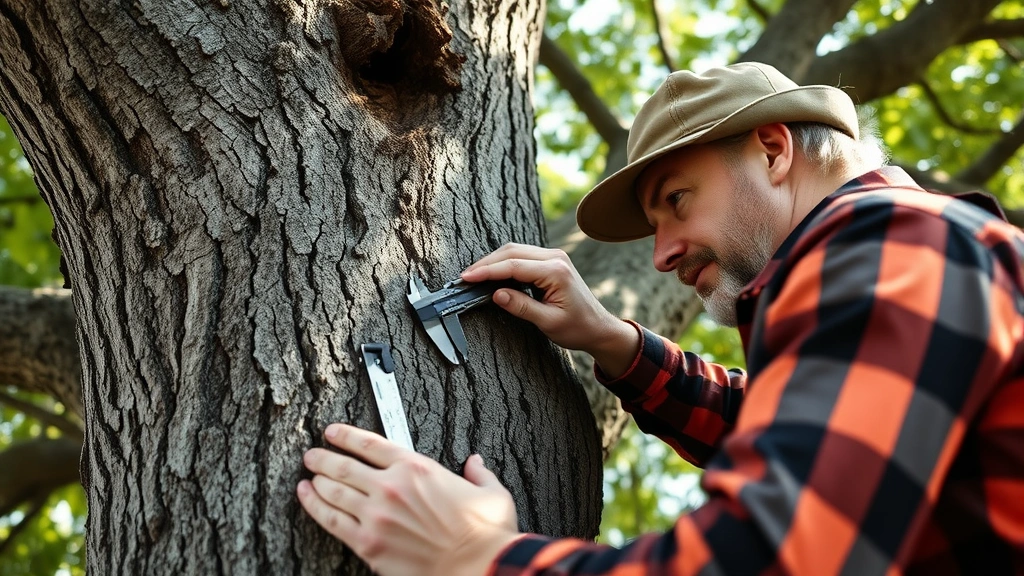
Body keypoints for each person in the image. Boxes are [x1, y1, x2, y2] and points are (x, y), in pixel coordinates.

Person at [296, 62, 1024, 575]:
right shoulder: (917, 255)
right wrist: (613, 343)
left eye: (677, 199)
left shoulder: (888, 241)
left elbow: (776, 556)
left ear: (773, 150)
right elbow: (813, 432)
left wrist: (476, 558)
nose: (663, 255)